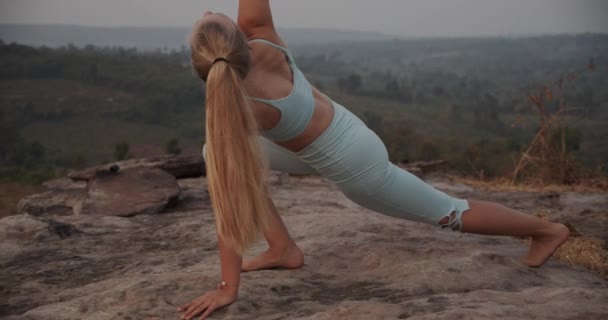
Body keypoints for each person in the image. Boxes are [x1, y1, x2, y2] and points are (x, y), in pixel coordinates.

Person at [177, 1, 570, 319]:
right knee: (219, 156)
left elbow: (229, 209)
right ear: (238, 41)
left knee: (450, 212)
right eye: (209, 15)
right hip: (333, 137)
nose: (207, 8)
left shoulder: (238, 108)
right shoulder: (261, 36)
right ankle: (283, 249)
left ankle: (547, 231)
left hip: (356, 165)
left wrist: (228, 288)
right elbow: (232, 198)